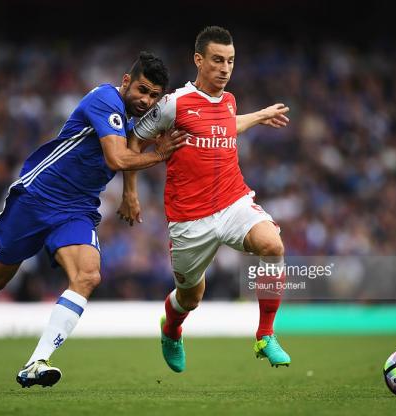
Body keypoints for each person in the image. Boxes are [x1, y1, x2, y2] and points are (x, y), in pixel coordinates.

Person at [0, 52, 187, 387]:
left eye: (153, 96)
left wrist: (129, 193)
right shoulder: (104, 99)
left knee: (88, 276)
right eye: (142, 90)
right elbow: (119, 157)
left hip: (76, 209)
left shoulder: (133, 119)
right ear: (126, 81)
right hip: (35, 198)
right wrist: (161, 155)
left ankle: (36, 361)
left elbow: (130, 147)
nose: (146, 100)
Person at [119, 27, 291, 373]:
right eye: (217, 60)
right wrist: (131, 193)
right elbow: (133, 142)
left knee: (272, 245)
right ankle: (171, 329)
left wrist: (258, 116)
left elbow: (226, 125)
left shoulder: (229, 102)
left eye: (230, 61)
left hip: (233, 202)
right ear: (199, 60)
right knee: (190, 297)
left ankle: (265, 334)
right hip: (189, 219)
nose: (225, 68)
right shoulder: (173, 104)